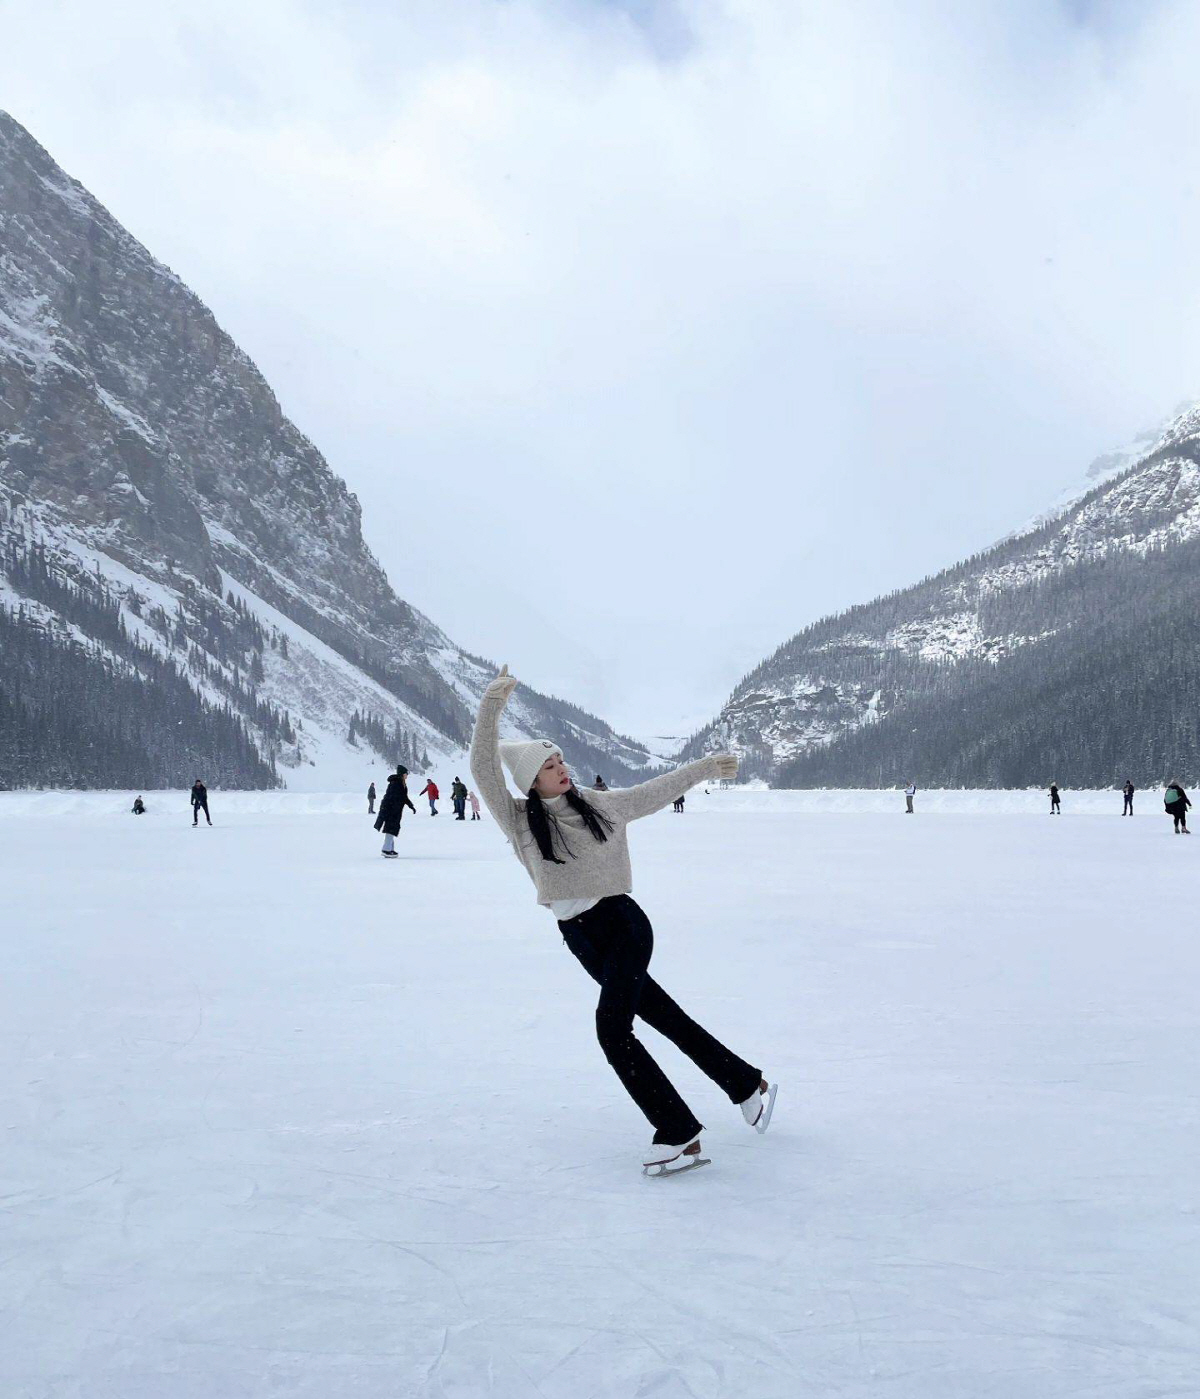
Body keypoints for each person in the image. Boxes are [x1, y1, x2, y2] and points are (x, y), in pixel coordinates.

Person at [471, 665, 774, 1176]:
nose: (561, 768)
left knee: (612, 1031)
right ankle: (745, 1084)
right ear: (530, 780)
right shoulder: (519, 820)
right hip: (580, 938)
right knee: (664, 1017)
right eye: (549, 765)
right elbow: (483, 768)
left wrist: (704, 768)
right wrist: (491, 705)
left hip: (623, 925)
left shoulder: (600, 806)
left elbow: (655, 791)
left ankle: (677, 1130)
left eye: (560, 759)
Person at [374, 767, 416, 856]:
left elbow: (403, 797)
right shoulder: (396, 783)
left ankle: (390, 848)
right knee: (390, 828)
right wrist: (391, 808)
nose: (407, 775)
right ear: (402, 774)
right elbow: (391, 797)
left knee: (392, 828)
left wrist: (410, 805)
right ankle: (386, 850)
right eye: (406, 773)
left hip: (395, 810)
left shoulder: (400, 783)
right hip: (391, 810)